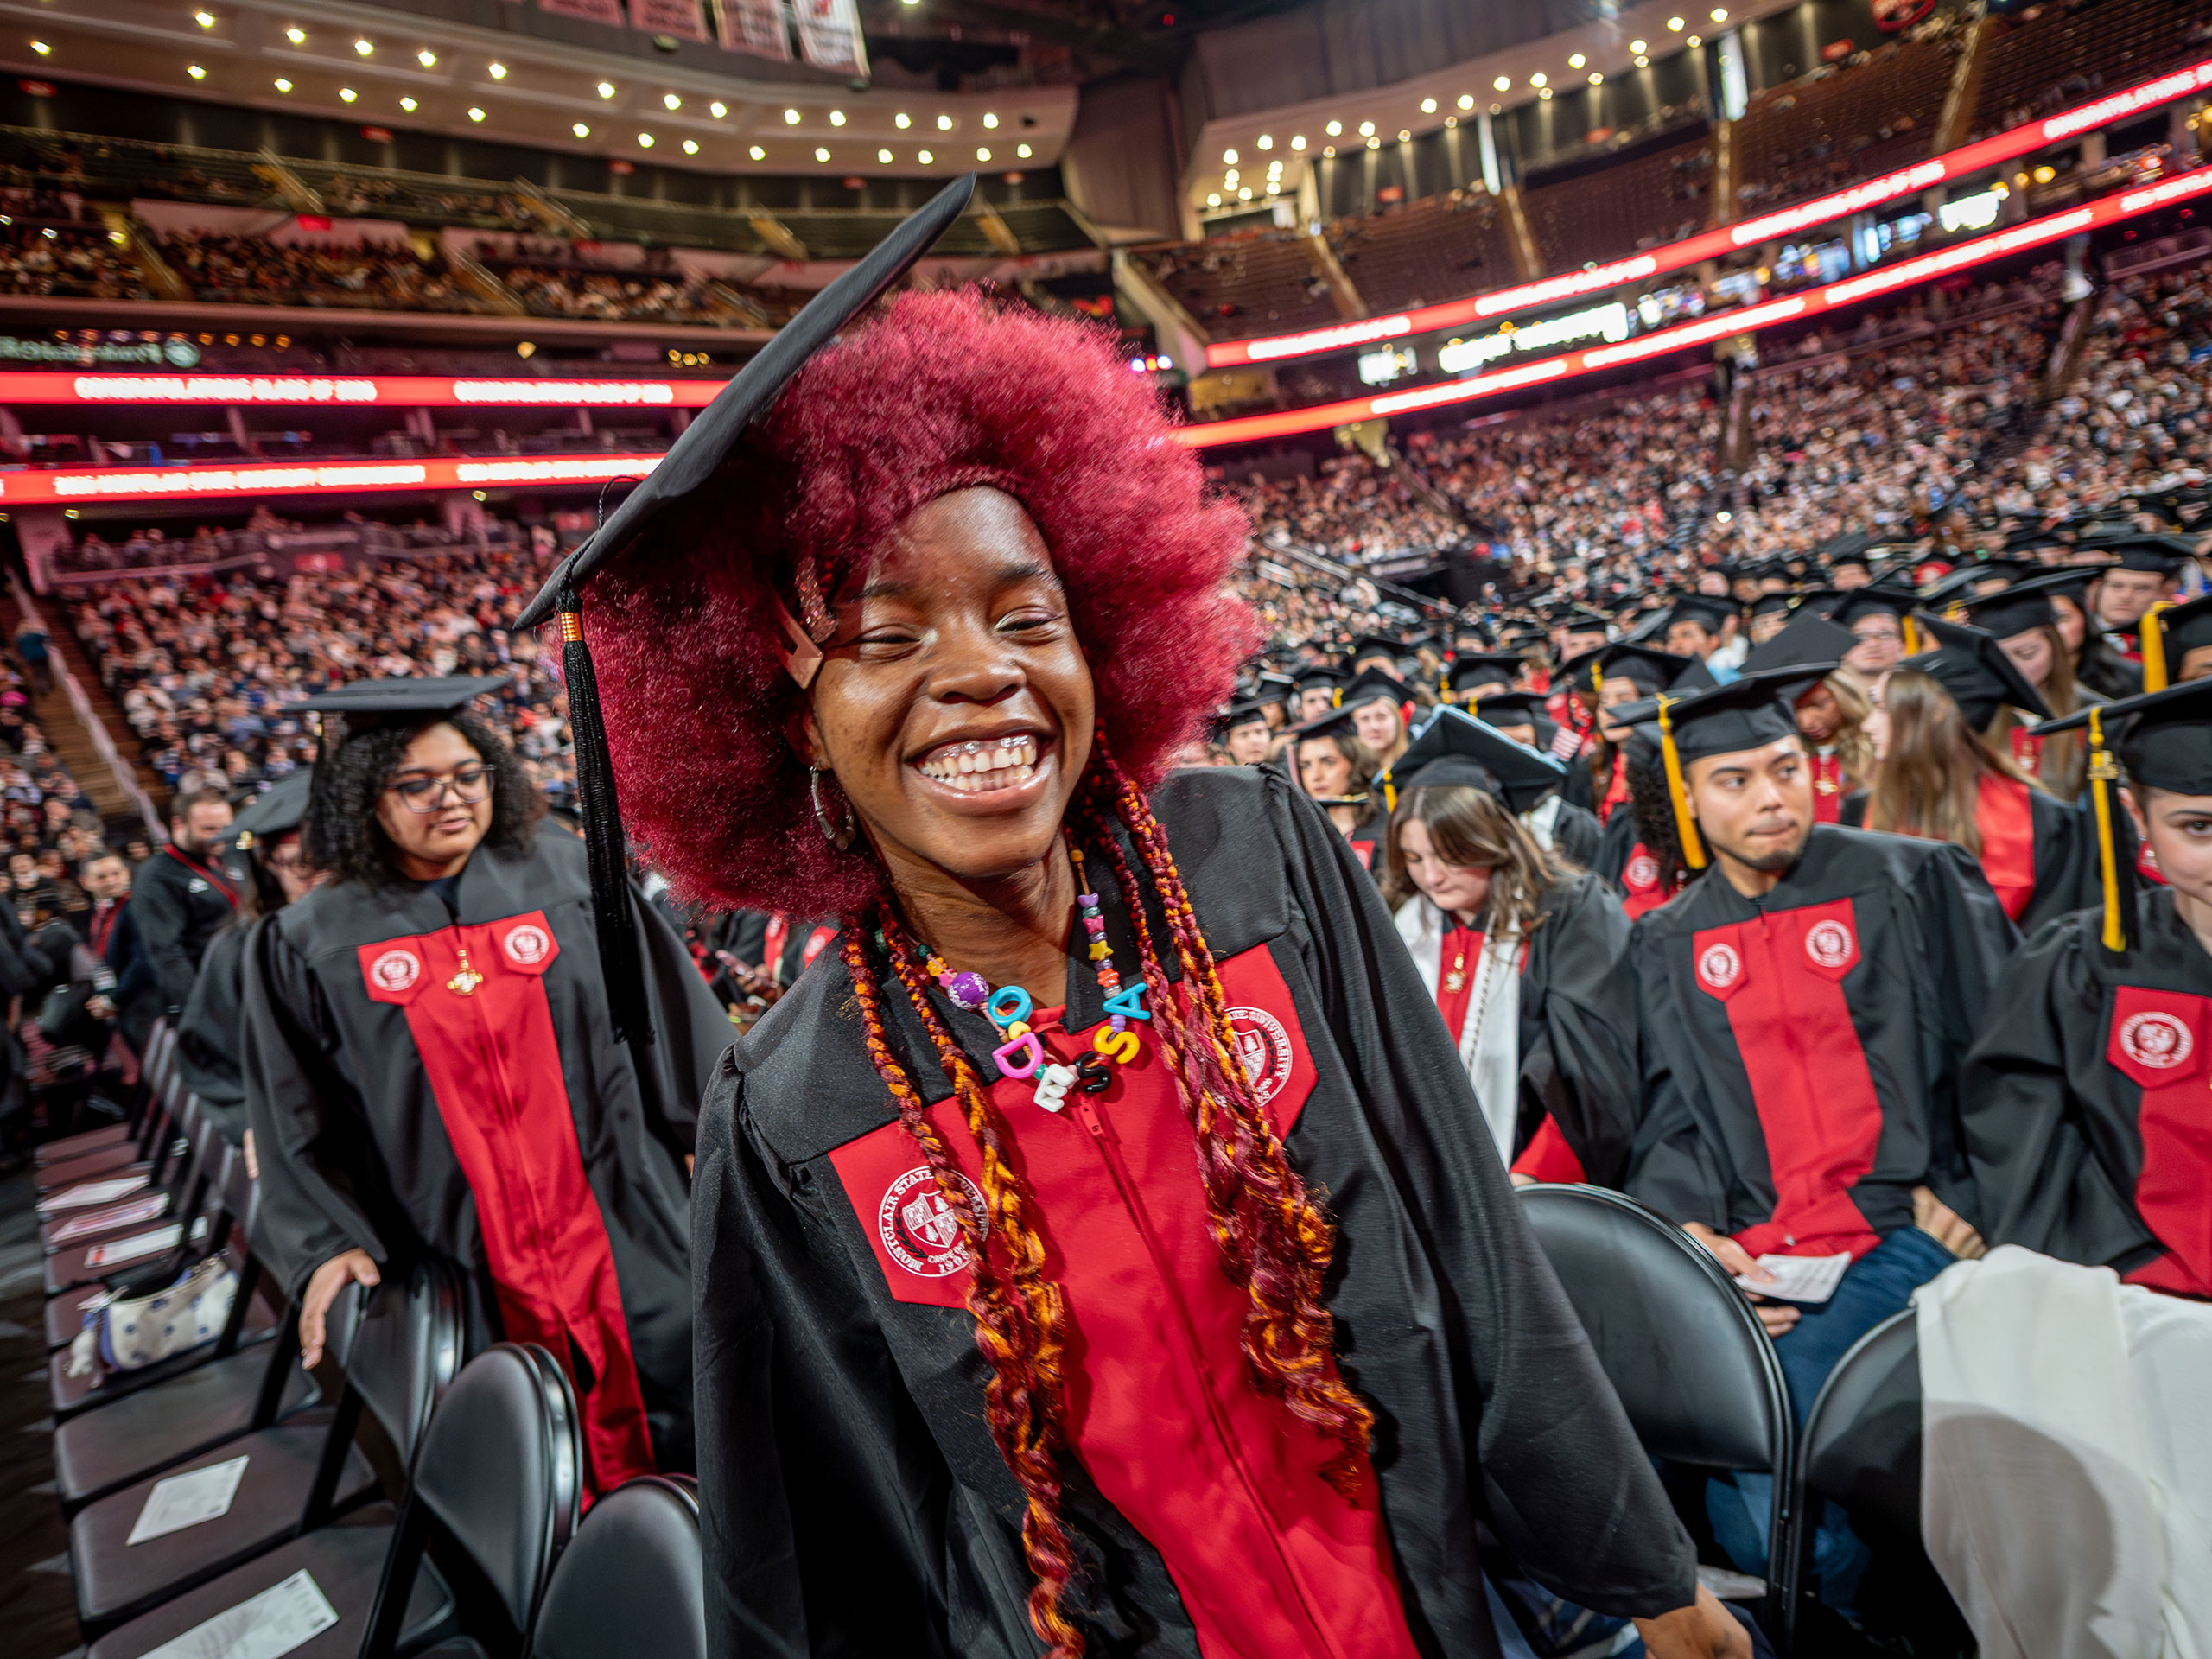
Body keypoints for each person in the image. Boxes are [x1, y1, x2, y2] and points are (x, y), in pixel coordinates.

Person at [519, 240, 1749, 1659]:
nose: (981, 672)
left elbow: (1471, 1236)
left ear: (1101, 629)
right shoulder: (798, 1112)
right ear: (791, 719)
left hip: (1429, 1601)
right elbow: (833, 1556)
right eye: (886, 635)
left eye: (1025, 614)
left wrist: (1650, 1577)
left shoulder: (1254, 863)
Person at [241, 676, 731, 1491]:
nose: (452, 800)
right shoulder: (307, 942)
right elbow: (291, 1114)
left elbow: (680, 1032)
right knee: (531, 1459)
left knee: (694, 1410)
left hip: (626, 1213)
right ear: (366, 797)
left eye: (469, 775)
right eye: (418, 785)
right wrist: (323, 1245)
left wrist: (728, 1156)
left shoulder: (571, 876)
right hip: (453, 1248)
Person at [1617, 673, 2014, 1584]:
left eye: (1784, 768)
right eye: (1735, 780)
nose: (1769, 798)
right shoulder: (1668, 937)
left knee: (1772, 1466)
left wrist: (1969, 1197)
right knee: (1715, 1469)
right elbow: (1670, 1116)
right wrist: (1689, 1236)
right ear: (1684, 798)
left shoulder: (1908, 879)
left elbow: (2000, 1056)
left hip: (1899, 1230)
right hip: (1765, 1248)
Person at [1961, 677, 2212, 1293]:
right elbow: (2035, 1162)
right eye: (2198, 828)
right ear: (2136, 817)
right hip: (2145, 1297)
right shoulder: (2077, 967)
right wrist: (2121, 1277)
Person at [1379, 714, 1641, 1186]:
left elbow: (1590, 1069)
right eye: (1414, 859)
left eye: (1450, 855)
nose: (1432, 878)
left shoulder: (1568, 911)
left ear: (1492, 839)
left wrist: (1532, 1179)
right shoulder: (1405, 922)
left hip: (1537, 1181)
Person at [1856, 617, 2088, 934]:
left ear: (1936, 713)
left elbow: (2050, 938)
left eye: (1882, 708)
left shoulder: (2047, 822)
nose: (1867, 725)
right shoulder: (1865, 807)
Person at [176, 773, 315, 1149]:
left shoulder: (391, 926)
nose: (320, 877)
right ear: (269, 866)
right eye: (300, 864)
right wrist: (246, 1124)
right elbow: (209, 1054)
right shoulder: (245, 949)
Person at [1960, 574, 2105, 803]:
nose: (2014, 668)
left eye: (2027, 654)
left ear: (2054, 646)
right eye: (2000, 658)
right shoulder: (1970, 717)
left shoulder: (2095, 716)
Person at [130, 785, 243, 1021]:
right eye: (209, 829)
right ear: (178, 824)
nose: (220, 835)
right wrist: (202, 1009)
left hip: (246, 976)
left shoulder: (229, 852)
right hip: (214, 991)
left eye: (226, 827)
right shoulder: (156, 876)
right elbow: (166, 953)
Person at [1288, 705, 1383, 870]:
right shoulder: (1299, 829)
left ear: (1355, 762)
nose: (1316, 776)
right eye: (1306, 765)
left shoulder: (1383, 822)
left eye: (1328, 762)